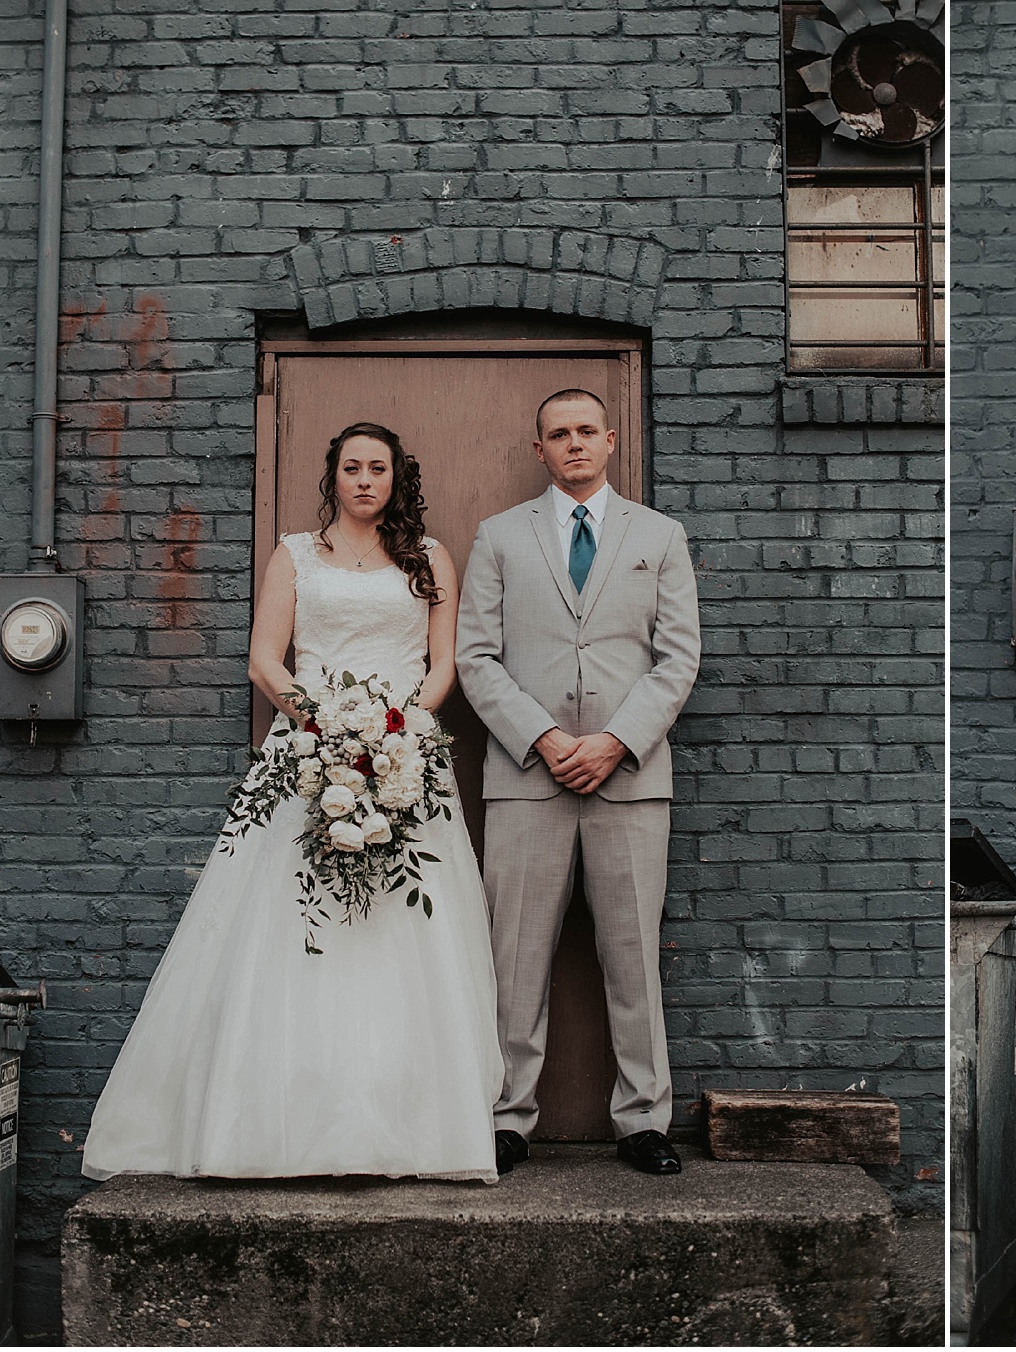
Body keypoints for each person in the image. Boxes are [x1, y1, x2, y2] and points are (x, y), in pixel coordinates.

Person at [82, 423, 504, 1181]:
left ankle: (413, 1123)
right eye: (352, 467)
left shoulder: (430, 557)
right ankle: (271, 1122)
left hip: (403, 752)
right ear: (333, 475)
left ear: (396, 478)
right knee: (288, 920)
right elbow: (263, 660)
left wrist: (394, 732)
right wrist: (326, 726)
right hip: (309, 751)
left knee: (405, 925)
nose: (365, 480)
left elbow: (443, 665)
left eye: (378, 468)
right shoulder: (296, 553)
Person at [457, 389, 701, 1177]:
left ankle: (643, 1121)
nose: (574, 444)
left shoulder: (660, 536)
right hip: (527, 777)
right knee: (515, 960)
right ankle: (507, 1117)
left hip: (629, 779)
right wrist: (546, 738)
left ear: (610, 439)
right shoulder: (500, 536)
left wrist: (615, 742)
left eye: (586, 431)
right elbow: (475, 658)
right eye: (558, 434)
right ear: (540, 449)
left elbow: (679, 659)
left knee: (633, 959)